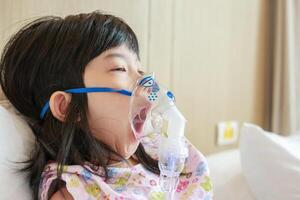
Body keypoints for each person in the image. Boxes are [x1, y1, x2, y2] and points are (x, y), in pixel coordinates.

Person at [0, 11, 212, 199]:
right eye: (120, 68)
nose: (145, 83)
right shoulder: (76, 190)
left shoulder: (161, 150)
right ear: (66, 107)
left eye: (140, 70)